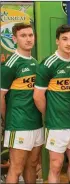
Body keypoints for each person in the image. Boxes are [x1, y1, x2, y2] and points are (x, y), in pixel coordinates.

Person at [33, 24, 70, 183]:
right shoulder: (47, 64)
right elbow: (38, 97)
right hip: (56, 125)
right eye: (64, 39)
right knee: (56, 164)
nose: (69, 43)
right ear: (57, 41)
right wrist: (50, 115)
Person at [1, 23, 43, 183]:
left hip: (36, 123)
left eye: (30, 35)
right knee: (16, 168)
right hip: (18, 124)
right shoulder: (10, 64)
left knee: (32, 165)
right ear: (14, 39)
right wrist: (9, 120)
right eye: (23, 36)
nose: (28, 39)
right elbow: (1, 97)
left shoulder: (35, 62)